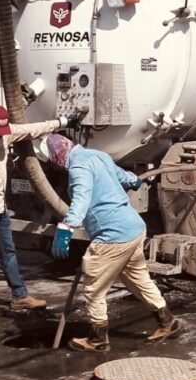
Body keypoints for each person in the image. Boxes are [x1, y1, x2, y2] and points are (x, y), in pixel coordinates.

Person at [39, 133, 181, 352]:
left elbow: (81, 199)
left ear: (57, 155)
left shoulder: (78, 168)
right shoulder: (97, 155)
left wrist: (66, 228)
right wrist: (133, 180)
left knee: (94, 286)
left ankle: (98, 339)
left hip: (112, 236)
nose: (54, 165)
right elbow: (121, 175)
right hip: (133, 229)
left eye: (52, 159)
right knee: (138, 280)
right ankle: (167, 321)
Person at [0, 104, 79, 316]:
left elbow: (32, 129)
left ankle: (20, 296)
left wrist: (62, 122)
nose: (0, 135)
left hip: (0, 207)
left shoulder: (4, 134)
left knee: (9, 253)